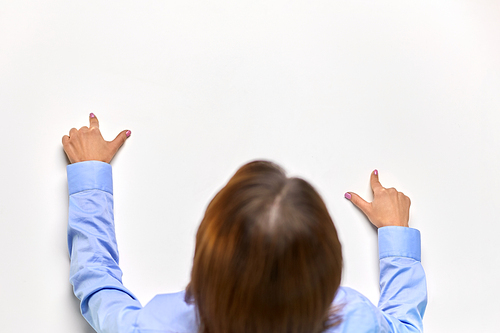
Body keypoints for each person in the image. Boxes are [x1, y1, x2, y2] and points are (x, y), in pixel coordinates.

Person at [62, 114, 427, 333]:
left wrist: (91, 175)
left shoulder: (158, 325)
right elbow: (405, 327)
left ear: (204, 257)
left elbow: (98, 287)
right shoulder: (355, 320)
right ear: (330, 272)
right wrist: (396, 235)